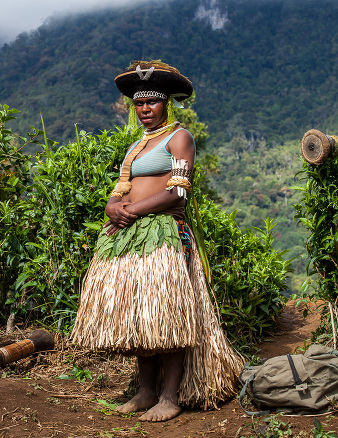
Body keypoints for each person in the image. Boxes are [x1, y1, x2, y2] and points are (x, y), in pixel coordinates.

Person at [72, 60, 242, 422]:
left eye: (151, 103)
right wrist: (112, 207)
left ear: (167, 103)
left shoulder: (179, 137)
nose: (144, 110)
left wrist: (130, 212)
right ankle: (146, 391)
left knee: (167, 315)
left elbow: (177, 193)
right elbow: (121, 189)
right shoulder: (136, 146)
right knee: (142, 313)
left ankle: (170, 396)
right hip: (130, 237)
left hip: (163, 232)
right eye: (138, 104)